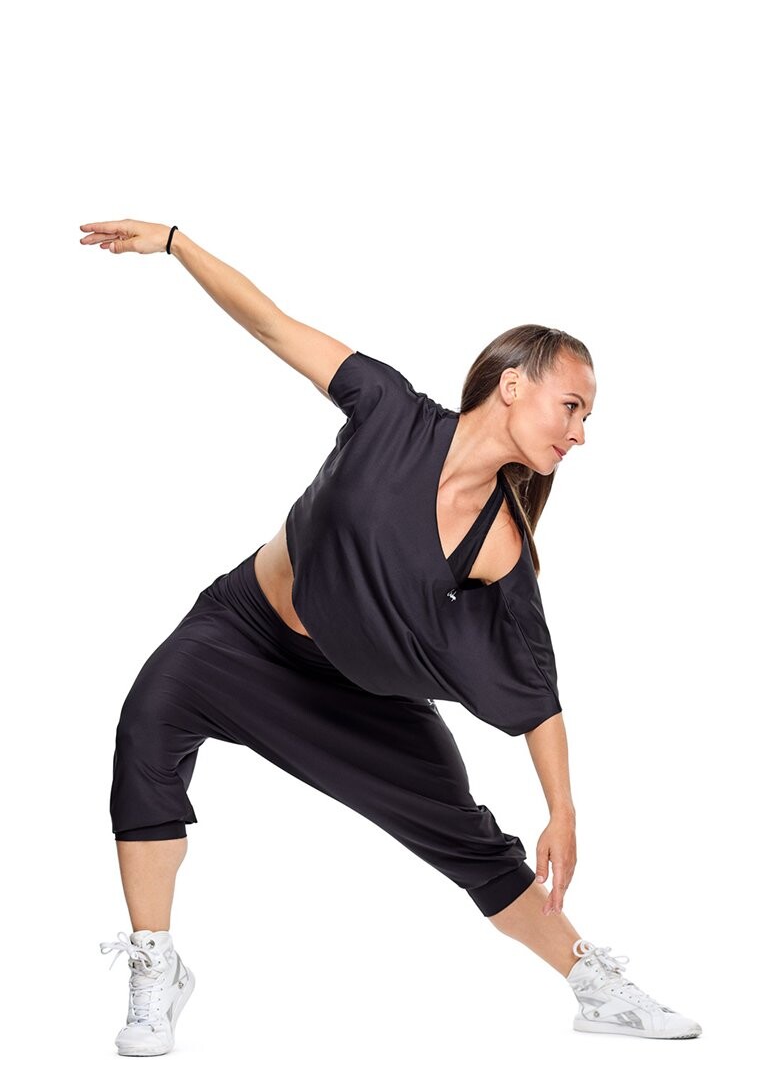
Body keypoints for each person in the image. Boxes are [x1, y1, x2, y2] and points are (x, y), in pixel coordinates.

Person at [81, 220, 702, 1055]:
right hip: (242, 633)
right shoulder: (387, 409)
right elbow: (270, 323)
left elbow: (535, 686)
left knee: (466, 838)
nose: (580, 432)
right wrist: (173, 242)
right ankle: (154, 965)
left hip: (360, 692)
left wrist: (562, 810)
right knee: (147, 725)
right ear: (512, 385)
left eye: (587, 416)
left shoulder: (499, 544)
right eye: (572, 406)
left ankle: (598, 986)